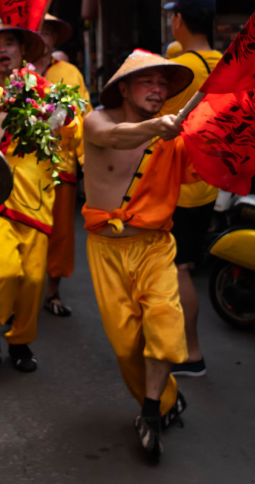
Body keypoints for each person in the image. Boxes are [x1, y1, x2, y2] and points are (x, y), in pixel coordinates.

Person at [82, 50, 196, 460]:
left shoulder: (174, 133)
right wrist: (155, 128)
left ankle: (150, 414)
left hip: (154, 245)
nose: (158, 89)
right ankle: (167, 399)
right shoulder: (97, 121)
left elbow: (199, 172)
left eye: (163, 84)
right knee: (126, 345)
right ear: (125, 89)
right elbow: (115, 137)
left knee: (164, 324)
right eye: (148, 81)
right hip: (106, 248)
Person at [0, 25, 69, 371]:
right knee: (2, 271)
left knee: (33, 279)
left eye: (9, 42)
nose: (2, 49)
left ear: (23, 50)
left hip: (35, 196)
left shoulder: (44, 90)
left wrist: (59, 118)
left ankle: (21, 340)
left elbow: (71, 126)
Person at [160, 0, 222, 378]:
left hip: (178, 182)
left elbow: (158, 120)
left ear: (179, 19)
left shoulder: (181, 69)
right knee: (182, 265)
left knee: (178, 268)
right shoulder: (222, 61)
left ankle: (190, 353)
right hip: (207, 181)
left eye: (173, 15)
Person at [30, 14, 91, 318]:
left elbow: (84, 118)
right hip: (23, 166)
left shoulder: (69, 72)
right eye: (36, 31)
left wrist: (87, 165)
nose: (42, 37)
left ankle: (52, 291)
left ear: (54, 38)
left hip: (61, 164)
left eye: (47, 32)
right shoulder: (18, 72)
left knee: (60, 234)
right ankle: (20, 292)